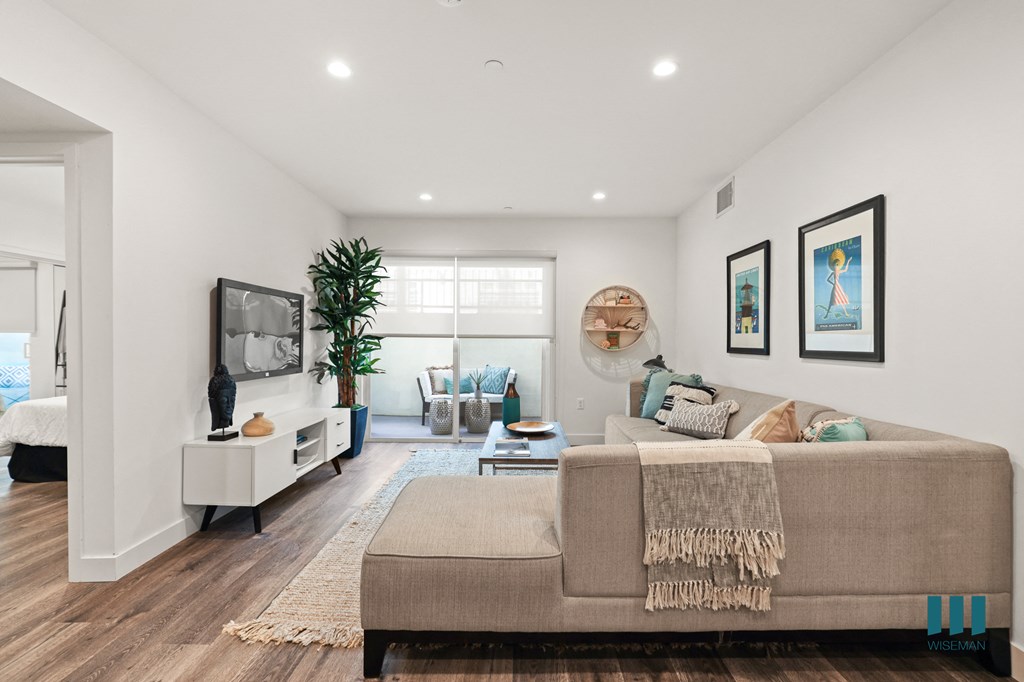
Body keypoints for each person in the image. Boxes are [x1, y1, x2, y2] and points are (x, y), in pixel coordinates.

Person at [824, 247, 853, 319]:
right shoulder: (833, 272)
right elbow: (828, 280)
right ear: (833, 266)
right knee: (831, 301)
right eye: (835, 265)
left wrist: (848, 261)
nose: (836, 266)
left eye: (837, 265)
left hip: (838, 286)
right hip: (835, 286)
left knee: (841, 299)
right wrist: (833, 284)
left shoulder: (839, 271)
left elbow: (846, 270)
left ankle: (846, 313)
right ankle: (827, 314)